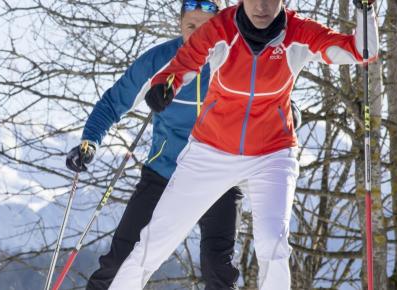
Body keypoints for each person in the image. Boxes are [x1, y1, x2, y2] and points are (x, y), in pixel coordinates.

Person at [105, 0, 377, 288]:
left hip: (272, 154)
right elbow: (185, 62)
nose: (261, 6)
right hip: (210, 151)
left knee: (274, 244)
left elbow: (362, 51)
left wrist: (365, 10)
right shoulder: (221, 28)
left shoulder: (298, 33)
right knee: (155, 241)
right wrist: (166, 84)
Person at [65, 1, 301, 288]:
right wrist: (89, 141)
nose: (198, 35)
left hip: (222, 175)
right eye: (191, 26)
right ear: (180, 25)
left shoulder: (238, 54)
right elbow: (114, 102)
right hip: (165, 173)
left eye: (206, 27)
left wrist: (290, 114)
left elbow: (273, 97)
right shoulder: (161, 61)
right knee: (121, 260)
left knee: (218, 267)